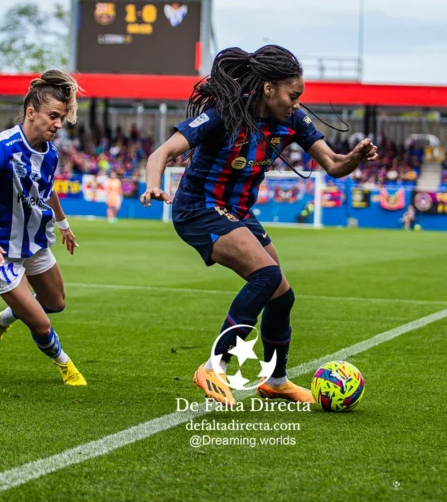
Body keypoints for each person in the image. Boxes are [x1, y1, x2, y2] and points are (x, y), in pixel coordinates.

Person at [141, 45, 378, 407]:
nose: (297, 103)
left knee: (282, 295)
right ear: (269, 89)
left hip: (237, 213)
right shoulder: (224, 116)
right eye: (292, 95)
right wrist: (153, 184)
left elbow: (333, 164)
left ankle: (276, 381)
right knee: (266, 277)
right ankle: (214, 366)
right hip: (198, 209)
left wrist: (355, 159)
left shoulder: (293, 121)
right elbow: (162, 153)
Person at [0, 70, 86, 387]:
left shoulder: (51, 154)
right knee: (41, 324)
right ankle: (66, 366)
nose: (58, 124)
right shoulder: (0, 147)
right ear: (32, 112)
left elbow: (47, 191)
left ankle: (0, 319)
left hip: (34, 243)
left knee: (56, 303)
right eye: (53, 116)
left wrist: (64, 224)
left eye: (61, 118)